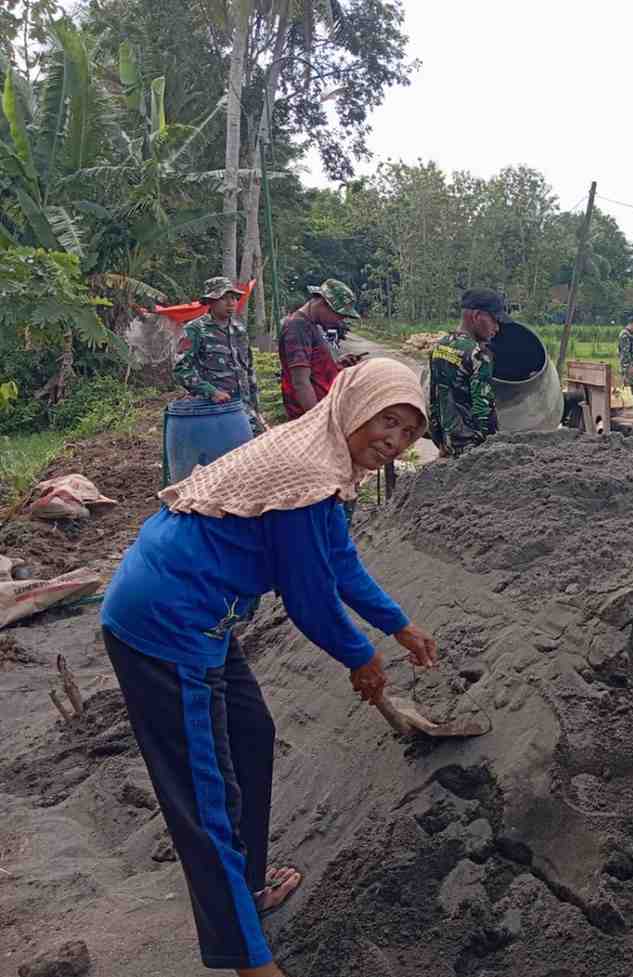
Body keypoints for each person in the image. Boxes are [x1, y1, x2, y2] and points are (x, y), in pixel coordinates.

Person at [99, 358, 437, 976]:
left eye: (408, 433)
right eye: (386, 421)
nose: (393, 441)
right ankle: (248, 961)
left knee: (251, 736)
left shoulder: (326, 454)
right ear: (353, 405)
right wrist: (362, 659)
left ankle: (246, 890)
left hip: (204, 610)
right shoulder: (309, 473)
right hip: (169, 622)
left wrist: (397, 623)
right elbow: (309, 598)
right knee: (207, 797)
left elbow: (338, 562)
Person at [428, 289, 513, 458]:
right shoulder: (478, 356)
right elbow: (484, 411)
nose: (496, 328)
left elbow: (434, 399)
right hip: (471, 451)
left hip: (446, 443)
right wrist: (493, 448)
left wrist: (441, 441)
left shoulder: (439, 346)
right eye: (494, 320)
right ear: (477, 316)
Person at [174, 276, 264, 433]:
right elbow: (181, 369)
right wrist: (211, 392)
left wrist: (257, 409)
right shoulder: (196, 329)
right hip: (213, 410)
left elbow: (248, 370)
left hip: (243, 409)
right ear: (210, 302)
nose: (231, 303)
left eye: (234, 298)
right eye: (224, 298)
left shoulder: (239, 330)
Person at [278, 279, 366, 420]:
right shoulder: (297, 327)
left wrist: (337, 364)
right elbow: (300, 381)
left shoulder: (311, 325)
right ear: (322, 303)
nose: (339, 321)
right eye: (338, 315)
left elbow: (313, 367)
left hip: (322, 407)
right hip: (308, 415)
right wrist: (316, 420)